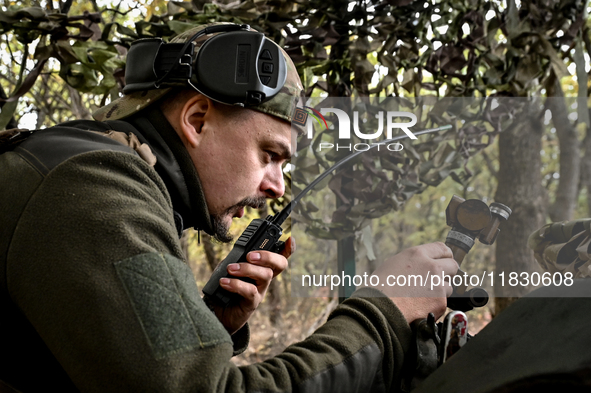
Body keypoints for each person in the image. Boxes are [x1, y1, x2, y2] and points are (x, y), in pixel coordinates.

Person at [0, 23, 457, 392]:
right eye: (270, 155)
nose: (278, 186)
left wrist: (206, 323)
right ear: (197, 120)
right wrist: (381, 313)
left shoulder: (88, 167)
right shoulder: (95, 186)